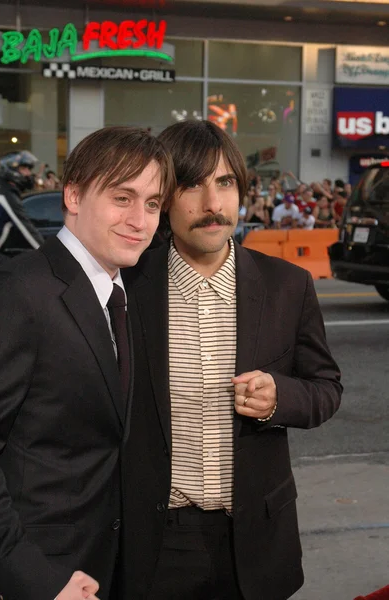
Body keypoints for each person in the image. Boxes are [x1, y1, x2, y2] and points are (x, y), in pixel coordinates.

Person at [122, 120, 343, 600]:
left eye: (224, 183)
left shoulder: (288, 286)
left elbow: (327, 389)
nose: (212, 204)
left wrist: (278, 398)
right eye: (191, 185)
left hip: (256, 537)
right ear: (162, 198)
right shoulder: (127, 289)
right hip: (156, 540)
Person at [0, 126, 175, 600]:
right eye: (122, 197)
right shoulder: (20, 292)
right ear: (72, 196)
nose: (140, 219)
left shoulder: (123, 292)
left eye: (153, 204)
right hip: (44, 573)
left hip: (110, 566)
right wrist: (32, 577)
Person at [0, 152, 44, 254]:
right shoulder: (4, 195)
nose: (28, 173)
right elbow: (27, 229)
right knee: (12, 268)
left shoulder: (3, 190)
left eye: (29, 169)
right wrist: (48, 256)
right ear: (11, 170)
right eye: (24, 169)